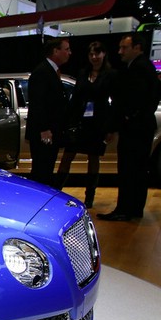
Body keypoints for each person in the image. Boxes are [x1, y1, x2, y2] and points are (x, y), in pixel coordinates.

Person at [98, 32, 160, 221]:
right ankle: (134, 209)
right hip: (141, 127)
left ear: (137, 48)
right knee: (138, 170)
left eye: (124, 47)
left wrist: (125, 119)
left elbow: (132, 100)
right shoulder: (145, 66)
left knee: (129, 169)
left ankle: (125, 210)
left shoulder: (138, 69)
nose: (120, 52)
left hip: (135, 129)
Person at [55, 41, 116, 208]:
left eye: (97, 53)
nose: (94, 57)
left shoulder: (110, 75)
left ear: (104, 54)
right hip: (79, 122)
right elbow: (75, 98)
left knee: (93, 158)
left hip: (97, 124)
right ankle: (56, 192)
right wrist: (67, 121)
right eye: (91, 54)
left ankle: (90, 198)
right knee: (67, 156)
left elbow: (114, 102)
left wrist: (111, 128)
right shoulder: (83, 73)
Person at [25, 37, 72, 186]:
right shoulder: (42, 72)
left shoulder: (52, 71)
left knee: (46, 168)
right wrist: (44, 129)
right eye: (66, 49)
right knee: (42, 170)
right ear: (55, 51)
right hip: (44, 134)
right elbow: (38, 103)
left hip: (51, 132)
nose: (69, 53)